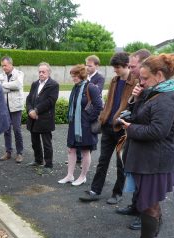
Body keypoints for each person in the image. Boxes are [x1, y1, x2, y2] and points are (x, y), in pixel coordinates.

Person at [117, 53, 174, 238]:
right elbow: (140, 115)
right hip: (149, 160)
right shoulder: (155, 94)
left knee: (149, 204)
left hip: (155, 162)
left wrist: (131, 128)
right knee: (150, 202)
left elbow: (158, 131)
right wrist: (137, 98)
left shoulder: (167, 99)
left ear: (160, 75)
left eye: (145, 78)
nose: (141, 81)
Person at [79, 52, 137, 204]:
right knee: (102, 161)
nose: (115, 70)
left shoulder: (136, 83)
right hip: (107, 127)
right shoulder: (114, 81)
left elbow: (134, 107)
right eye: (114, 67)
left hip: (122, 129)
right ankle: (94, 190)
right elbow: (109, 101)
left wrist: (123, 120)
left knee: (120, 163)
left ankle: (117, 193)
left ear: (126, 65)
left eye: (117, 67)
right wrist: (103, 117)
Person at [116, 49, 151, 231]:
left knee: (145, 181)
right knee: (135, 175)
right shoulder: (139, 84)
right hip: (135, 138)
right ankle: (135, 207)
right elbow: (134, 111)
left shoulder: (154, 89)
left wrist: (141, 96)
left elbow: (148, 120)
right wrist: (135, 98)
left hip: (147, 143)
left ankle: (143, 214)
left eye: (133, 66)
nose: (131, 69)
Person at [58, 64, 102, 186]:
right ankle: (69, 175)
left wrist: (89, 118)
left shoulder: (91, 87)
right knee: (71, 150)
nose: (73, 78)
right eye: (72, 76)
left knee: (85, 151)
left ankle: (83, 176)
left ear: (82, 75)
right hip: (74, 125)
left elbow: (99, 106)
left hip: (85, 126)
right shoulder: (76, 87)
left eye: (75, 76)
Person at [68, 55, 106, 166]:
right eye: (86, 65)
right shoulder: (78, 85)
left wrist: (91, 117)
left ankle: (83, 163)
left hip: (88, 113)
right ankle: (77, 159)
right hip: (79, 116)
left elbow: (97, 95)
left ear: (96, 66)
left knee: (85, 146)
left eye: (90, 65)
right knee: (75, 144)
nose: (87, 67)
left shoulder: (98, 78)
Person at [26, 62, 59, 175]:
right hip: (33, 118)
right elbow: (29, 99)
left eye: (43, 72)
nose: (41, 74)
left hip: (45, 119)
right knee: (34, 142)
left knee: (46, 143)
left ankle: (48, 164)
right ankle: (38, 160)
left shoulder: (53, 85)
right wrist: (30, 110)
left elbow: (50, 101)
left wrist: (36, 110)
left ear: (49, 72)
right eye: (39, 72)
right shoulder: (35, 84)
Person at [0, 56, 24, 163]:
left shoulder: (19, 74)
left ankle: (19, 153)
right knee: (6, 130)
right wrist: (9, 87)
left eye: (5, 65)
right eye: (2, 66)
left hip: (16, 107)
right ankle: (8, 152)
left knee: (17, 130)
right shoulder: (0, 76)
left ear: (11, 64)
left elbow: (18, 85)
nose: (3, 67)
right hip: (5, 107)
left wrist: (4, 85)